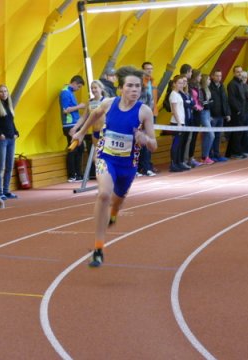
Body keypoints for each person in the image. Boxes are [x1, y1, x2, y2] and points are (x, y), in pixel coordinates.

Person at [72, 66, 157, 267]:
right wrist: (81, 132)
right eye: (130, 86)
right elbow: (94, 114)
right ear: (121, 88)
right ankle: (99, 247)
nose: (134, 90)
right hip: (105, 158)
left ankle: (114, 212)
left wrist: (144, 138)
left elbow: (153, 145)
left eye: (137, 86)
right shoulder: (109, 104)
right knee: (103, 195)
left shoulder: (144, 112)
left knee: (118, 200)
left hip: (127, 165)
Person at [0, 84, 19, 200]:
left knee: (9, 166)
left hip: (11, 139)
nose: (4, 93)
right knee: (1, 166)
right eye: (1, 91)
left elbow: (11, 122)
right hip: (1, 140)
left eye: (5, 91)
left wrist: (16, 132)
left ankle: (6, 190)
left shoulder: (9, 106)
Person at [59, 75, 86, 182]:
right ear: (74, 83)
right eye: (78, 86)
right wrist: (80, 106)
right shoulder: (65, 92)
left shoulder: (69, 92)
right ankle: (72, 175)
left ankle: (78, 174)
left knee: (79, 148)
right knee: (73, 149)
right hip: (69, 125)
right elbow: (65, 110)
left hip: (74, 123)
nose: (78, 89)